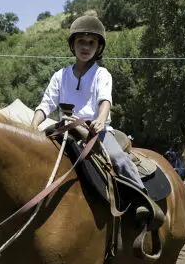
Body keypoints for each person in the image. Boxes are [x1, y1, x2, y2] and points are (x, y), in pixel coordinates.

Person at [31, 15, 152, 222]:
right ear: (73, 45)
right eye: (81, 42)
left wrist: (101, 119)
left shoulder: (102, 74)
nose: (85, 47)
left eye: (91, 43)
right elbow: (46, 104)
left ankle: (142, 199)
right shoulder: (60, 75)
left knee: (118, 159)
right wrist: (33, 124)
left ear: (98, 48)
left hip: (95, 131)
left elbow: (105, 100)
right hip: (64, 129)